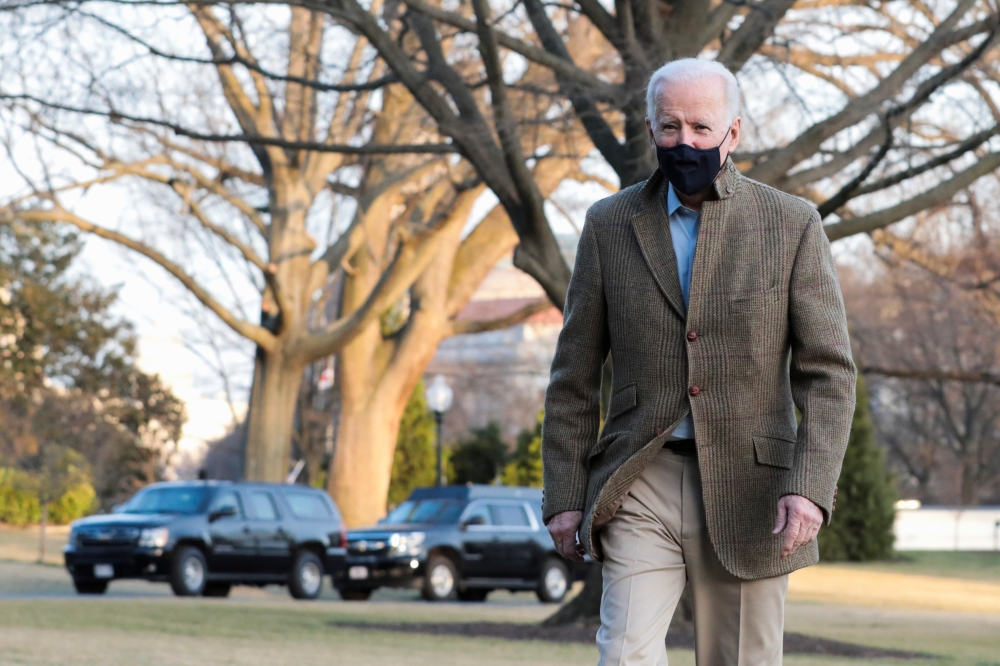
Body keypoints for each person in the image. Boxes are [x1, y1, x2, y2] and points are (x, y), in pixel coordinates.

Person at [541, 58, 856, 665]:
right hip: (639, 478)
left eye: (701, 128)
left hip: (752, 490)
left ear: (733, 133)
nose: (684, 142)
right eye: (669, 127)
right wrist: (564, 493)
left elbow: (828, 373)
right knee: (625, 653)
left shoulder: (790, 225)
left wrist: (810, 488)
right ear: (651, 129)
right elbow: (573, 375)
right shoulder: (608, 225)